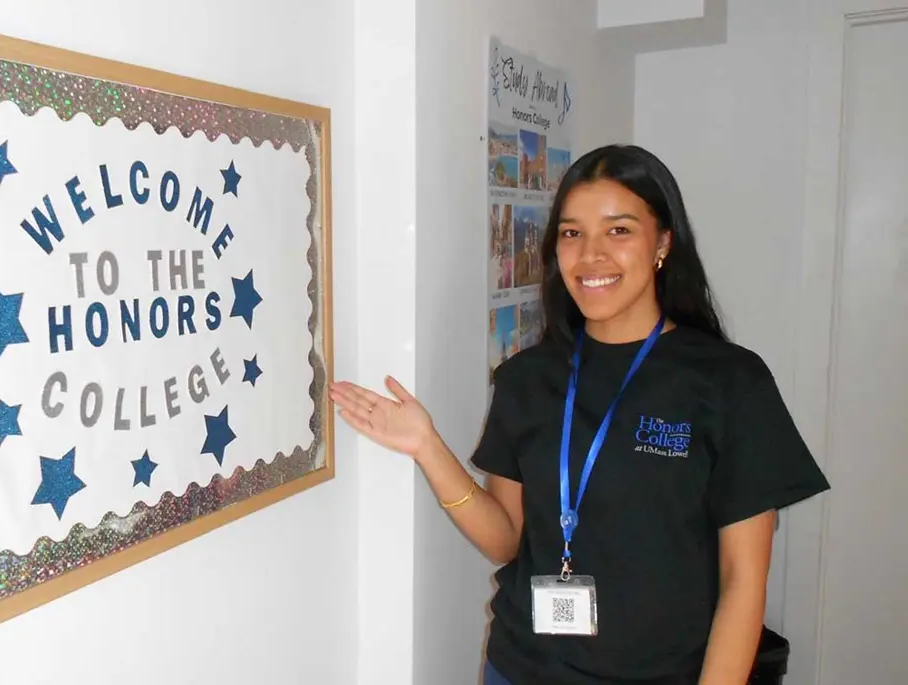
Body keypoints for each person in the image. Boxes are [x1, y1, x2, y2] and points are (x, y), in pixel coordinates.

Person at [329, 144, 830, 685]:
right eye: (572, 233)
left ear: (663, 242)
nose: (590, 255)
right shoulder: (527, 379)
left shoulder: (730, 382)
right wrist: (427, 447)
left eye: (619, 230)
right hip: (521, 668)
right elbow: (507, 540)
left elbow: (743, 581)